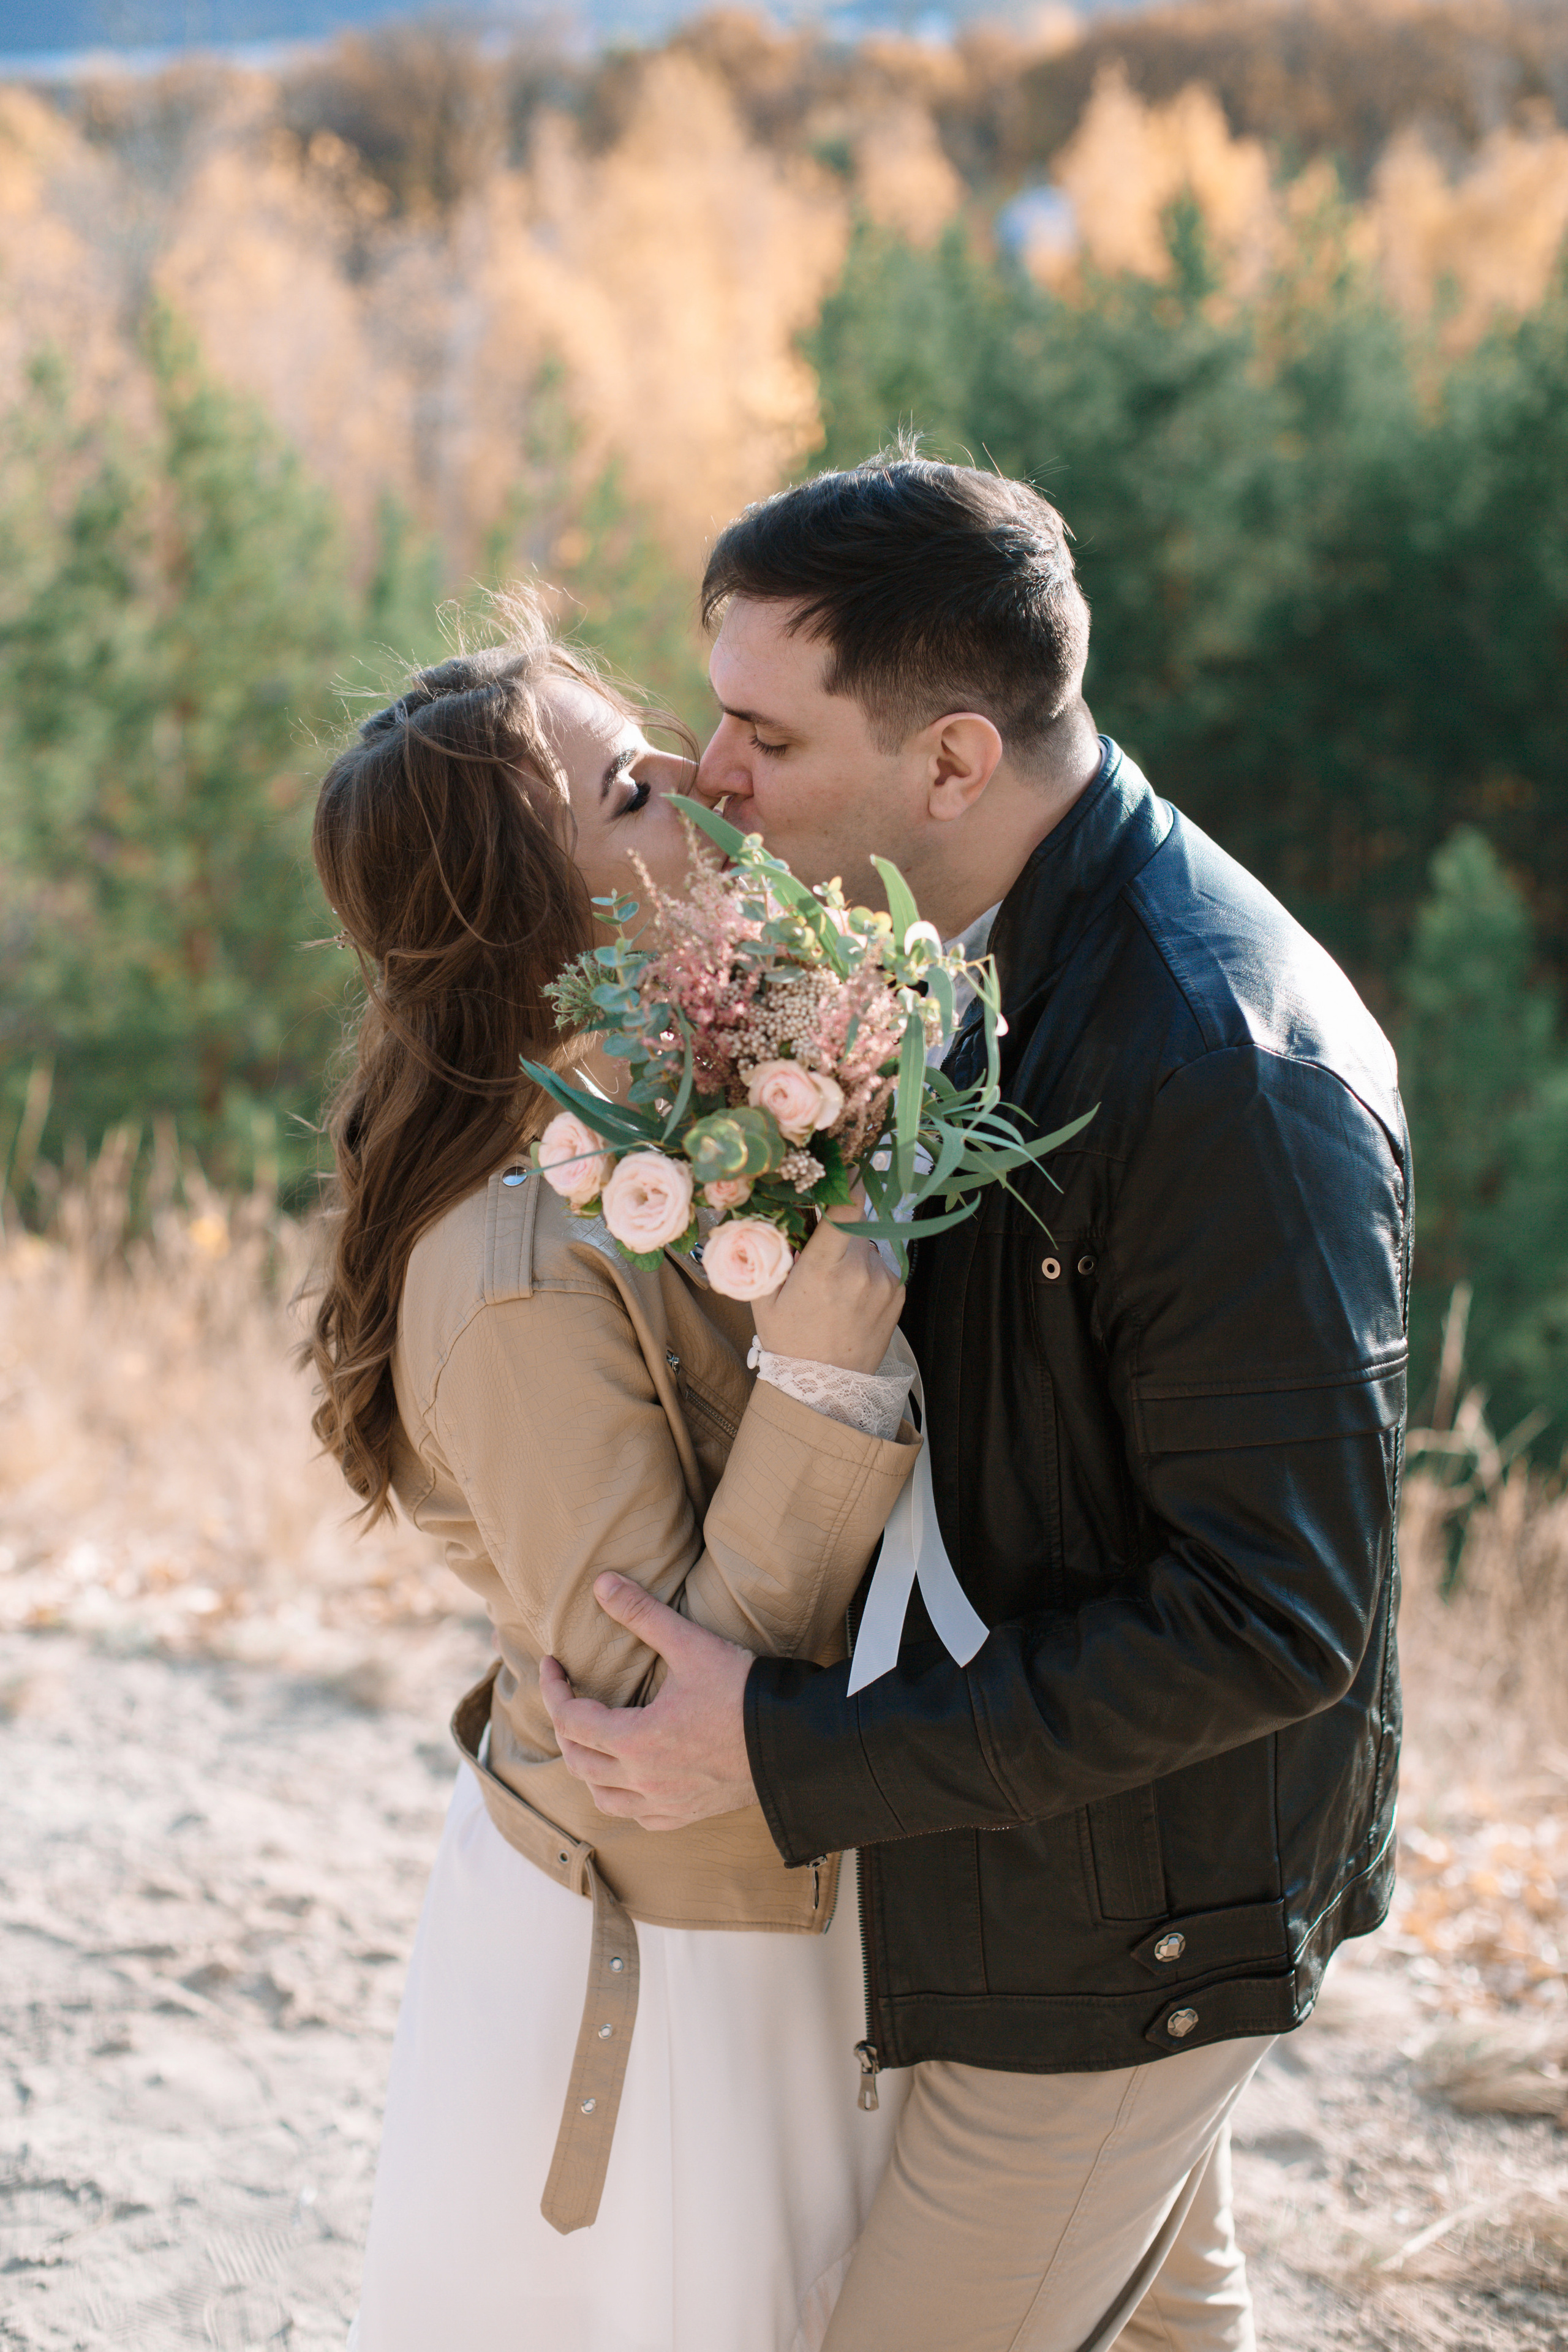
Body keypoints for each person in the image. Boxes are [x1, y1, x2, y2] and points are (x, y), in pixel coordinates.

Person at [541, 450, 1411, 2352]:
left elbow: (1274, 1625)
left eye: (763, 733)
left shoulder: (1222, 1071)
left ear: (949, 758)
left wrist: (785, 1754)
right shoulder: (955, 946)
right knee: (1176, 2327)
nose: (712, 775)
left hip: (1135, 1918)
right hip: (1027, 1857)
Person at [304, 607, 927, 2352]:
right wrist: (822, 1376)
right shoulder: (504, 1276)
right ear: (540, 920)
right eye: (637, 792)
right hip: (672, 1969)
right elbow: (655, 1718)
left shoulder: (678, 1122)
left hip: (802, 1909)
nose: (708, 790)